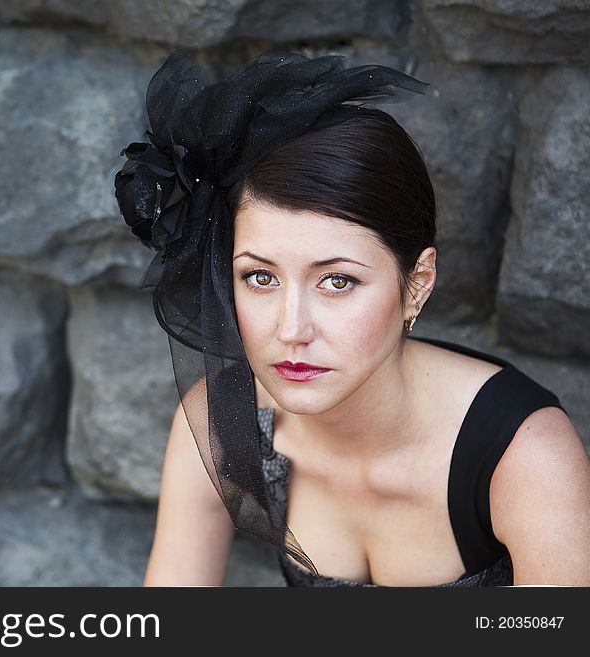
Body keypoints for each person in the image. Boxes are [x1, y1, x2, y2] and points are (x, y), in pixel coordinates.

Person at [114, 50, 590, 586]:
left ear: (417, 284)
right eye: (260, 277)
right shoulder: (219, 424)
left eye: (337, 281)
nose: (291, 330)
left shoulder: (526, 458)